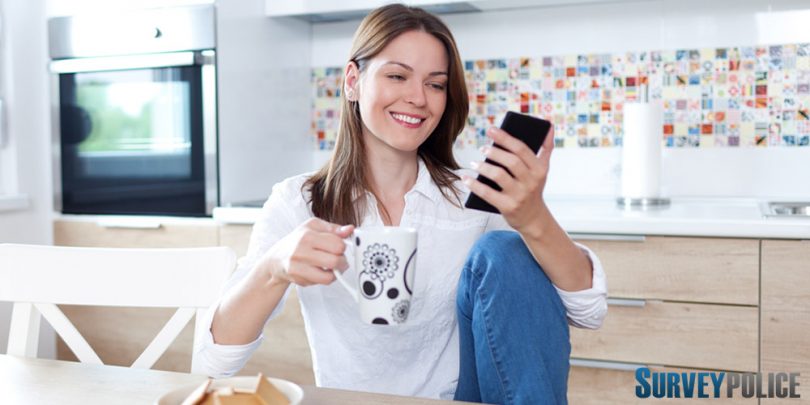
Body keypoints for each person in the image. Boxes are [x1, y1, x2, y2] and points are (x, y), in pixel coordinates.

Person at [197, 4, 607, 404]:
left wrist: (533, 218)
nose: (418, 98)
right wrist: (274, 267)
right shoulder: (299, 203)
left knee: (505, 250)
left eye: (435, 84)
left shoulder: (472, 198)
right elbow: (215, 358)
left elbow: (588, 311)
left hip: (462, 398)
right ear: (353, 81)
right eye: (397, 76)